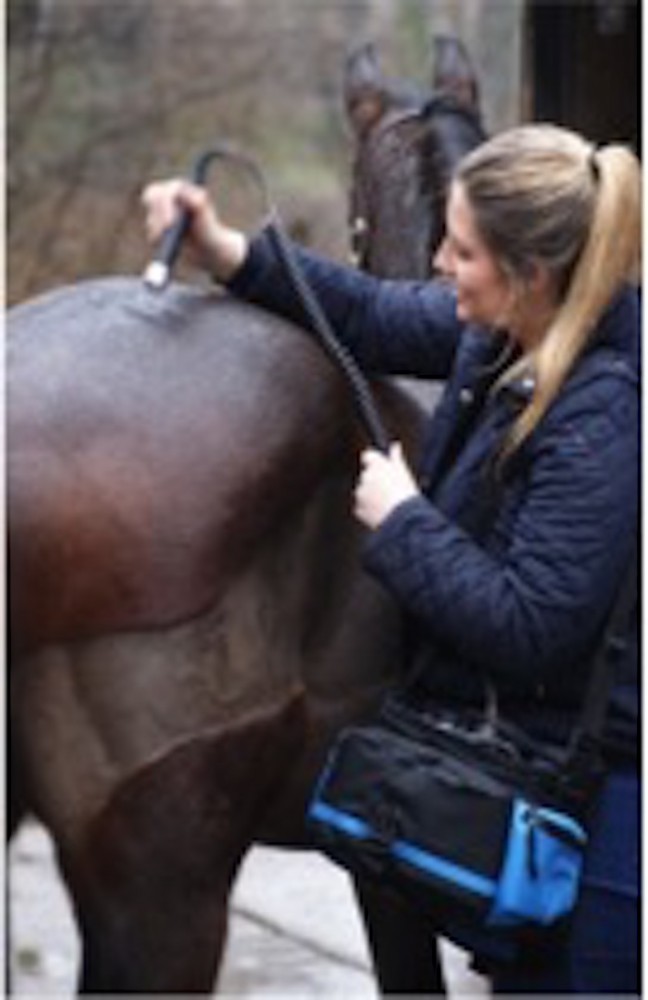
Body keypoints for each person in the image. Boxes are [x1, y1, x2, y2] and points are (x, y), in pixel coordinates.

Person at [142, 123, 640, 995]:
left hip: (613, 812)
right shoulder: (506, 335)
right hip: (555, 766)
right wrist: (229, 252)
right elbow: (371, 315)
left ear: (531, 274)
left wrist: (404, 521)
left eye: (461, 251)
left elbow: (532, 627)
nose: (442, 266)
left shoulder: (604, 412)